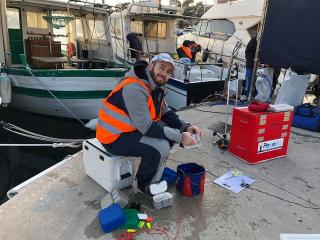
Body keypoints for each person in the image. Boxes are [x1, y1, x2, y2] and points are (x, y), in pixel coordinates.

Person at [96, 53, 201, 194]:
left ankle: (153, 172)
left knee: (168, 134)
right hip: (114, 137)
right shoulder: (134, 87)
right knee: (160, 147)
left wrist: (185, 127)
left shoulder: (153, 86)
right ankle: (145, 186)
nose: (164, 73)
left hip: (131, 130)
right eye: (162, 67)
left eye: (168, 72)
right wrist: (181, 137)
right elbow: (147, 127)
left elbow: (165, 112)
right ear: (151, 65)